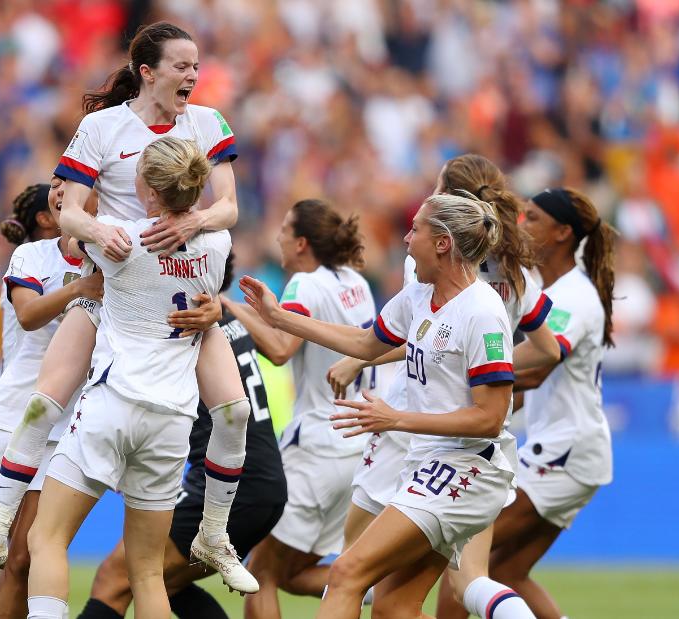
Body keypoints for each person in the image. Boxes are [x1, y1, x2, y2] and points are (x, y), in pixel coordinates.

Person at [0, 21, 257, 594]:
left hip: (183, 293)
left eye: (197, 65)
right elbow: (66, 211)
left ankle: (214, 532)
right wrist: (97, 229)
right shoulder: (101, 128)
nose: (194, 75)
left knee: (235, 413)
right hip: (112, 284)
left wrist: (192, 220)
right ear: (148, 72)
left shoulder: (208, 122)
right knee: (42, 404)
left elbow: (229, 208)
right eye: (182, 66)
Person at [238, 192, 523, 619]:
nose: (407, 239)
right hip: (429, 466)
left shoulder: (482, 313)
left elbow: (490, 417)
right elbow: (364, 343)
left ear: (442, 243)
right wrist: (278, 318)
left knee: (347, 571)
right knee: (393, 607)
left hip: (467, 469)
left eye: (417, 229)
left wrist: (396, 418)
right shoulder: (419, 298)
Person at [327, 155, 559, 619]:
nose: (408, 236)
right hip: (455, 442)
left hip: (430, 432)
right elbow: (548, 350)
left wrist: (487, 376)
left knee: (352, 566)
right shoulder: (513, 270)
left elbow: (435, 343)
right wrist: (493, 373)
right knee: (429, 592)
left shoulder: (440, 274)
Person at [24, 136, 233, 619]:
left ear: (150, 191)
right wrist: (197, 217)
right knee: (146, 571)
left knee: (47, 537)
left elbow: (71, 232)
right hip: (174, 420)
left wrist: (78, 198)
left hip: (114, 404)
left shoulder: (119, 237)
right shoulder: (218, 243)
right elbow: (222, 215)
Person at [76, 253, 287, 619]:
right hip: (263, 481)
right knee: (165, 584)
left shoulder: (180, 317)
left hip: (228, 483)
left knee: (118, 578)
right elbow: (280, 351)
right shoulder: (228, 313)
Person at [0, 178, 101, 619]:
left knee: (25, 555)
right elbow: (29, 315)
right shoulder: (31, 255)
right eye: (57, 183)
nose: (61, 188)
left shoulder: (114, 261)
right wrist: (79, 290)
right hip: (12, 413)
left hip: (62, 425)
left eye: (72, 182)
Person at [222, 199, 376, 619]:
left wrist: (230, 308)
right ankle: (376, 589)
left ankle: (382, 586)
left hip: (316, 448)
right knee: (293, 574)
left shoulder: (305, 285)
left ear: (303, 243)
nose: (278, 238)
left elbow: (280, 348)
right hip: (356, 447)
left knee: (259, 574)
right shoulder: (355, 282)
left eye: (285, 231)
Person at [485, 188, 616, 619]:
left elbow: (541, 364)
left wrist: (476, 371)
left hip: (567, 451)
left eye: (533, 218)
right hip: (567, 449)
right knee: (505, 572)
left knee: (468, 552)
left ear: (562, 233)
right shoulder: (545, 286)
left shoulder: (574, 296)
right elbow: (523, 388)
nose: (523, 226)